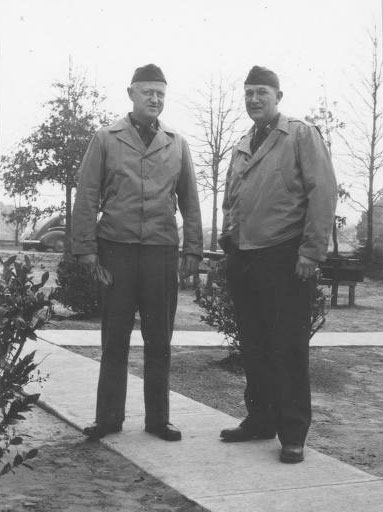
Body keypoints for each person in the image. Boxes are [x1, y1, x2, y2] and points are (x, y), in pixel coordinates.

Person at [71, 64, 203, 442]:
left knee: (159, 339)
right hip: (116, 251)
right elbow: (87, 195)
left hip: (161, 252)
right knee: (115, 338)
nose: (155, 99)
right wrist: (86, 249)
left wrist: (193, 246)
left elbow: (190, 201)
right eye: (148, 92)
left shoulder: (177, 142)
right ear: (131, 93)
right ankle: (109, 418)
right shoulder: (106, 138)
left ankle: (158, 420)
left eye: (161, 93)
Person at [219, 66, 337, 463]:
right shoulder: (242, 143)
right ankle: (260, 419)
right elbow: (231, 200)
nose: (254, 99)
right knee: (253, 344)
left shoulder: (301, 135)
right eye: (249, 93)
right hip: (245, 257)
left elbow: (323, 193)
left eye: (262, 93)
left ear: (278, 97)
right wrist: (228, 244)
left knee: (286, 346)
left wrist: (310, 252)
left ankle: (293, 433)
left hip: (285, 257)